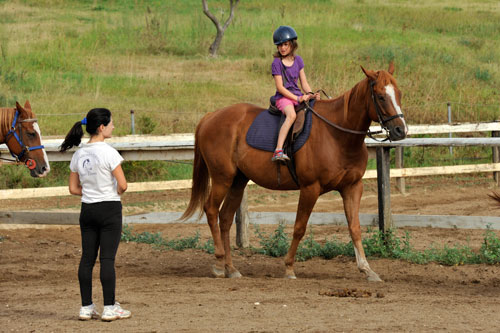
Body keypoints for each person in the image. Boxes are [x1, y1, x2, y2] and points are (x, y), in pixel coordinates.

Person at [59, 108, 131, 322]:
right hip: (109, 208)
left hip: (87, 210)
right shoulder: (109, 152)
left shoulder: (79, 154)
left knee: (87, 259)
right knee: (107, 259)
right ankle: (109, 307)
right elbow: (123, 185)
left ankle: (86, 307)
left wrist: (91, 192)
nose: (113, 127)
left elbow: (73, 189)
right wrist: (110, 193)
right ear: (102, 127)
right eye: (111, 124)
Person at [271, 25, 320, 162]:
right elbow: (280, 87)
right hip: (284, 98)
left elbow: (303, 82)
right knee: (291, 115)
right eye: (279, 45)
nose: (282, 48)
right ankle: (278, 150)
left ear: (292, 44)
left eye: (285, 44)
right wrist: (297, 98)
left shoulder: (298, 60)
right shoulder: (277, 63)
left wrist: (310, 94)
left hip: (297, 95)